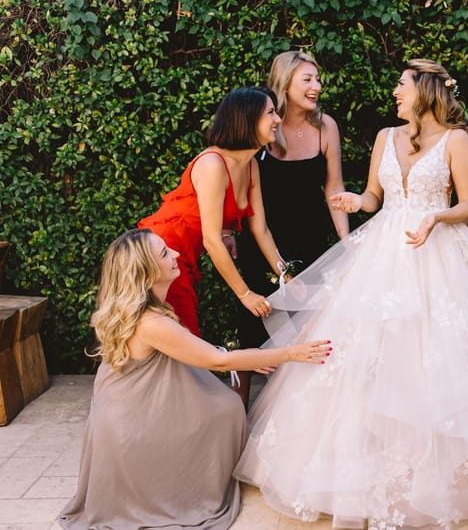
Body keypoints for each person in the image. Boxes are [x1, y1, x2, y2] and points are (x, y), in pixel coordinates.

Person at [233, 59, 468, 528]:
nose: (395, 93)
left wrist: (435, 218)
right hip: (383, 250)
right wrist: (355, 202)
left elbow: (467, 204)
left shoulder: (456, 140)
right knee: (364, 358)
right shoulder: (385, 136)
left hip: (439, 253)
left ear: (423, 91)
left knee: (441, 356)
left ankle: (444, 472)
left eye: (401, 85)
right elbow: (375, 198)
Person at [59, 228, 331, 529]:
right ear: (147, 273)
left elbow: (196, 351)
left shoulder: (145, 311)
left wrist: (252, 358)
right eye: (165, 254)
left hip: (124, 412)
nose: (176, 254)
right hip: (131, 424)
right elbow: (218, 361)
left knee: (223, 404)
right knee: (223, 410)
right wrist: (290, 353)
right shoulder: (151, 322)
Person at [235, 51, 350, 407]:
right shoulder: (264, 126)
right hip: (262, 237)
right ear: (284, 82)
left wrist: (347, 242)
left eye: (317, 80)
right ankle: (237, 411)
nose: (316, 87)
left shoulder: (326, 127)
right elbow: (239, 184)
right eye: (307, 80)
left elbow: (334, 187)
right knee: (253, 326)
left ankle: (299, 408)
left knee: (308, 327)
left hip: (310, 240)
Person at [138, 86, 285, 337]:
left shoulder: (251, 166)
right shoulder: (212, 164)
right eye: (270, 113)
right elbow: (212, 240)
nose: (278, 120)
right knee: (180, 332)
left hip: (184, 253)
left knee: (179, 332)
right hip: (163, 252)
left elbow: (260, 229)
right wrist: (245, 294)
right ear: (248, 118)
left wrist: (286, 274)